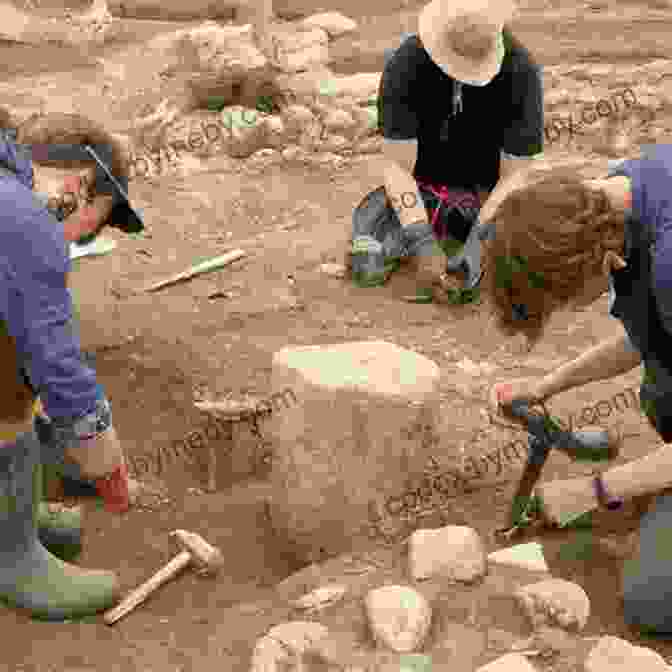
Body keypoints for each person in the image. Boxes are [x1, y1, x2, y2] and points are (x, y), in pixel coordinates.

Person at [482, 144, 672, 635]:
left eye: (560, 299)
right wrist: (548, 386)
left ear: (593, 260)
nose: (568, 309)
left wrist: (597, 490)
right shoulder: (618, 195)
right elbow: (646, 333)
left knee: (653, 600)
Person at [0, 112, 143, 619]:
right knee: (12, 361)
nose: (80, 242)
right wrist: (106, 464)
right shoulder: (19, 216)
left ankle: (14, 515)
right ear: (79, 184)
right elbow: (57, 368)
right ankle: (12, 556)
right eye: (96, 224)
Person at [349, 0, 543, 298]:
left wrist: (480, 239)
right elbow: (398, 167)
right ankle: (424, 236)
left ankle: (475, 242)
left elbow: (515, 175)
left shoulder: (520, 71)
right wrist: (420, 240)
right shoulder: (406, 63)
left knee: (534, 233)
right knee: (370, 246)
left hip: (488, 195)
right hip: (424, 189)